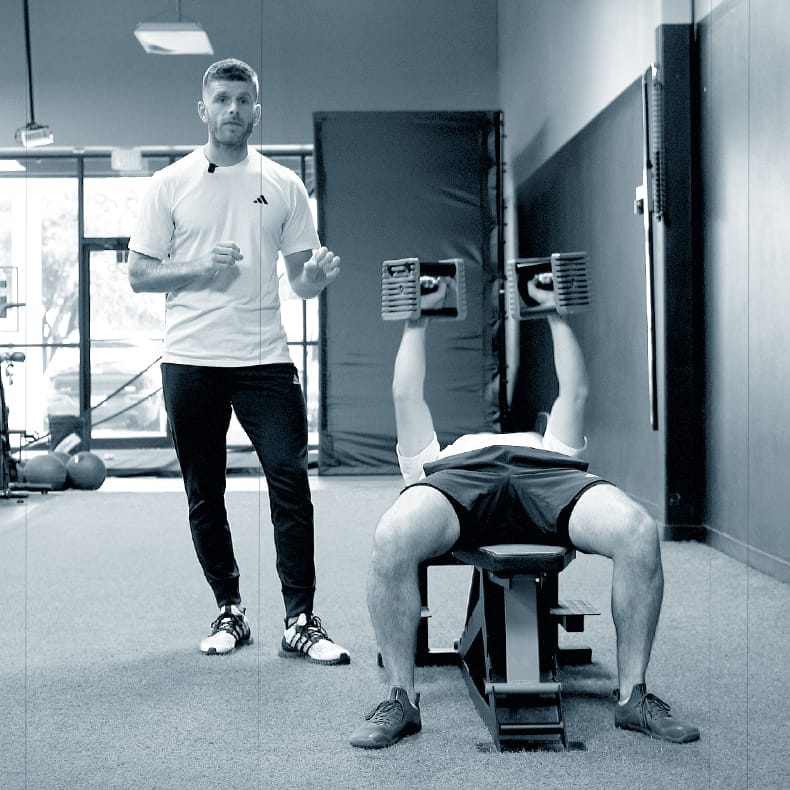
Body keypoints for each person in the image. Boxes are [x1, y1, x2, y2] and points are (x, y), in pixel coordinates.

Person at [350, 276, 700, 747]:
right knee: (391, 537)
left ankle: (633, 696)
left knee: (637, 531)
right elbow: (405, 395)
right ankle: (401, 698)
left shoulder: (551, 443)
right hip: (459, 476)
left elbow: (573, 392)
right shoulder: (436, 456)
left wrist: (553, 312)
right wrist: (417, 320)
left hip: (547, 471)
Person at [127, 58, 349, 665]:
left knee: (290, 479)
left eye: (243, 100)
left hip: (264, 361)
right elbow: (139, 273)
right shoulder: (168, 185)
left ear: (256, 110)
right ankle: (230, 610)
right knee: (206, 490)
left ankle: (300, 618)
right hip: (191, 360)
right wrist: (199, 266)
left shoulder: (283, 184)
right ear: (203, 110)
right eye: (221, 100)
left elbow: (301, 281)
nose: (232, 110)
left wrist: (315, 278)